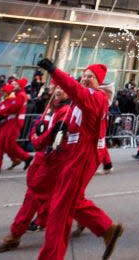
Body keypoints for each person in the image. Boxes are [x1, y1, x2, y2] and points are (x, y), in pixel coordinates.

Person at [34, 58, 123, 260]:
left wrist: (54, 71)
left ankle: (51, 256)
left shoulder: (95, 97)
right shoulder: (85, 99)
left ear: (98, 81)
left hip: (82, 157)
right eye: (83, 75)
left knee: (60, 208)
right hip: (73, 155)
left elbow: (75, 90)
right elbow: (79, 123)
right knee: (70, 201)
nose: (85, 79)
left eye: (90, 76)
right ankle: (106, 228)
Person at [0, 86, 73, 253]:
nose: (58, 90)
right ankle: (48, 219)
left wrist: (37, 140)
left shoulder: (67, 110)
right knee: (55, 194)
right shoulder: (53, 106)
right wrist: (35, 136)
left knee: (35, 193)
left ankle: (16, 233)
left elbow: (50, 135)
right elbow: (38, 126)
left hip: (54, 157)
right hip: (44, 155)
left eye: (63, 87)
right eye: (56, 86)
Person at [0, 83, 30, 173]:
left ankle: (25, 157)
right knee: (0, 144)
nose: (2, 92)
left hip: (12, 122)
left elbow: (13, 108)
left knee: (8, 144)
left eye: (15, 84)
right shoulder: (13, 96)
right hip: (7, 122)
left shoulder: (18, 96)